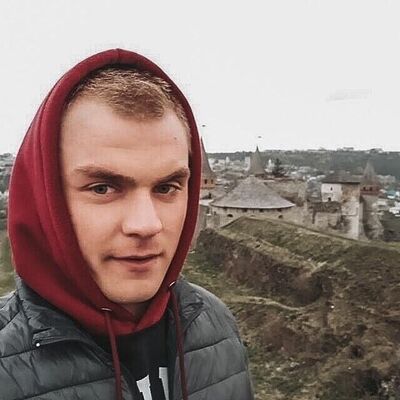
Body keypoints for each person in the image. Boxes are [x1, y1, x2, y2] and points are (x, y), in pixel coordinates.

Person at [0, 49, 254, 400]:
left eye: (166, 187)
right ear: (45, 198)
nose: (146, 225)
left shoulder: (216, 327)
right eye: (103, 188)